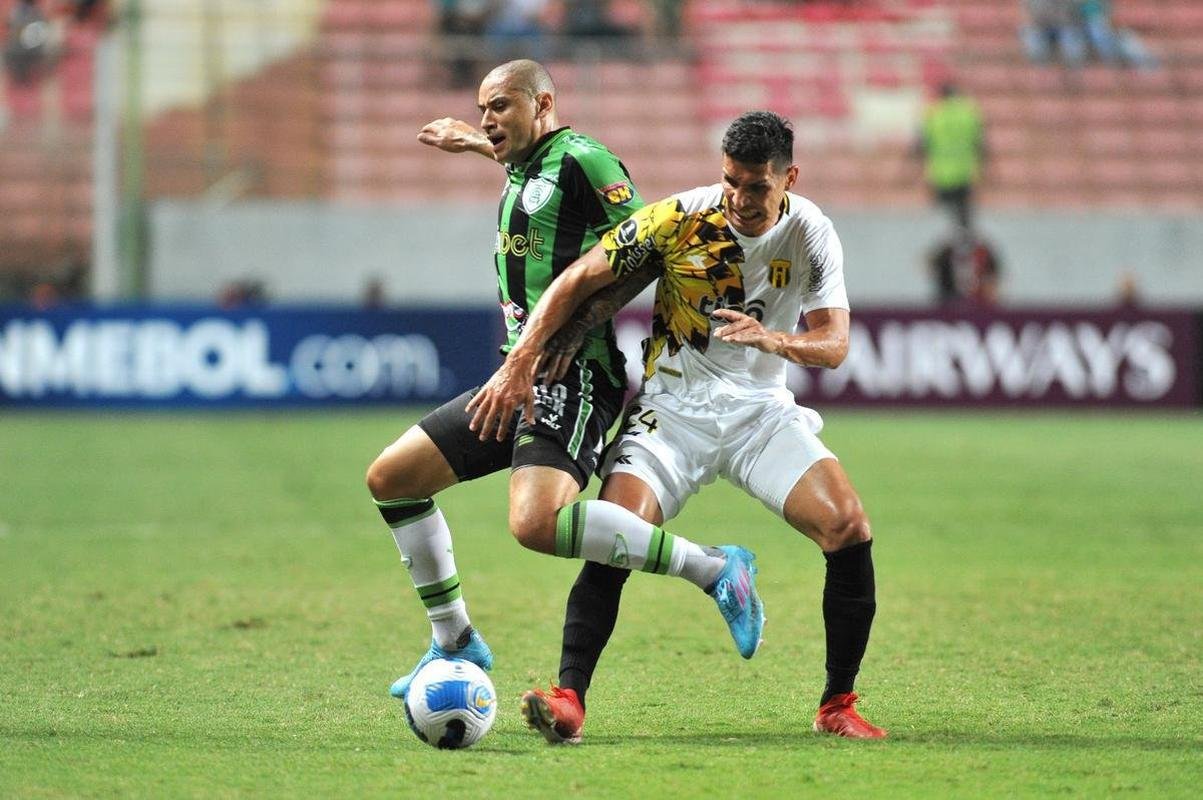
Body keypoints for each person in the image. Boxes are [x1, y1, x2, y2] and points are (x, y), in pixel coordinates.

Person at [469, 110, 887, 741]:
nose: (741, 199)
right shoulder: (681, 217)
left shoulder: (812, 233)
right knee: (619, 530)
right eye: (731, 182)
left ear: (789, 178)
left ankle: (837, 704)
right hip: (673, 410)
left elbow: (833, 344)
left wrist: (771, 340)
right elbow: (582, 277)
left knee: (848, 526)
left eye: (757, 188)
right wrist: (531, 350)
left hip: (760, 413)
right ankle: (568, 699)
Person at [366, 59, 764, 703]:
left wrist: (578, 332)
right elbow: (532, 181)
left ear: (542, 102)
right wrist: (475, 143)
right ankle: (454, 638)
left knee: (533, 524)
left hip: (571, 374)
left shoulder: (586, 160)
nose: (488, 118)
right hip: (516, 374)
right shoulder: (531, 162)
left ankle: (717, 568)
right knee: (392, 479)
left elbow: (646, 250)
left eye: (500, 107)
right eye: (482, 109)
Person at [916, 81, 987, 230]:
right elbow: (980, 143)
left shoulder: (933, 113)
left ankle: (947, 245)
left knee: (943, 214)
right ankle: (964, 239)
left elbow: (922, 144)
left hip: (942, 172)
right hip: (965, 171)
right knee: (964, 212)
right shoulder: (969, 112)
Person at [928, 224, 1001, 307]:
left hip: (978, 300)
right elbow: (931, 264)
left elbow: (992, 276)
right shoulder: (946, 256)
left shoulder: (982, 254)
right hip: (951, 299)